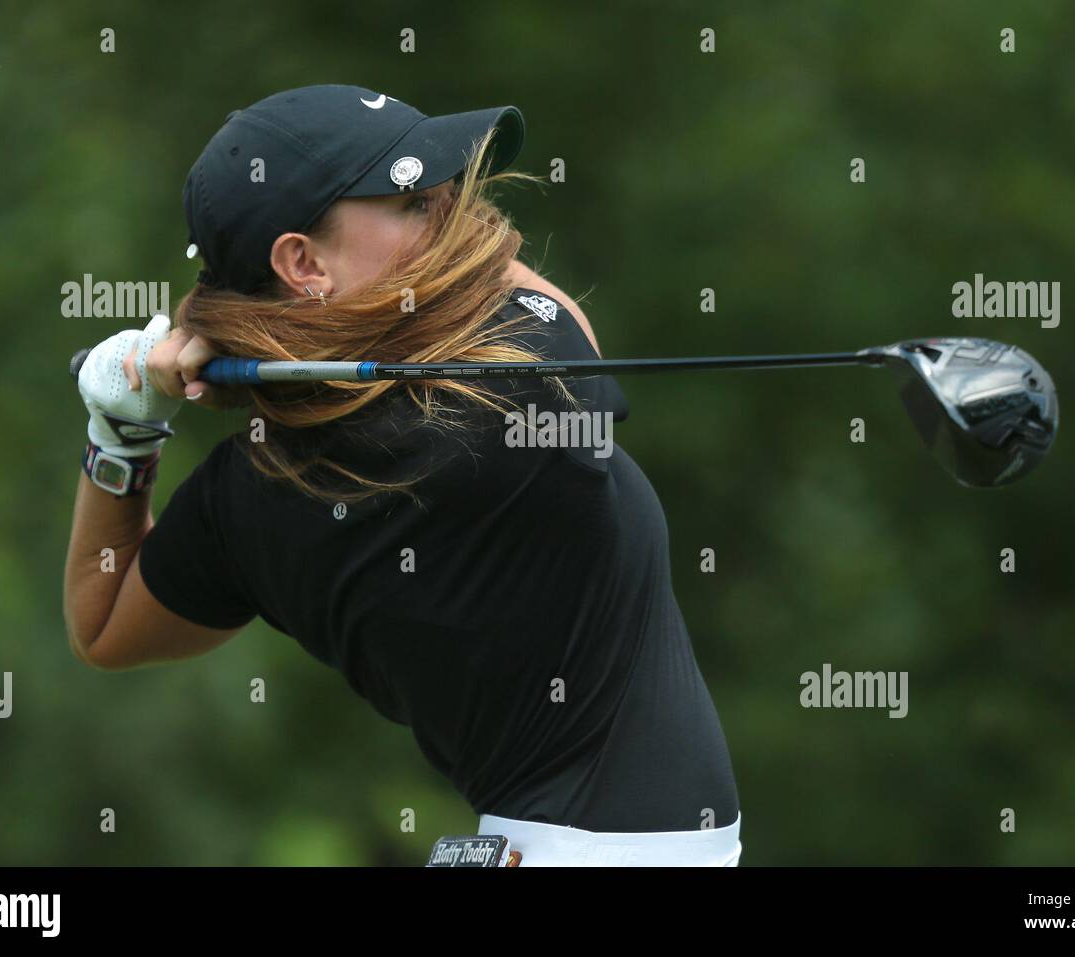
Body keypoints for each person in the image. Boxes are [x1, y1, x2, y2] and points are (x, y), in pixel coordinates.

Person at [63, 84, 741, 866]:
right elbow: (512, 283)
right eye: (414, 199)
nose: (453, 209)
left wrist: (122, 429)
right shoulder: (502, 400)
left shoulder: (251, 480)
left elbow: (103, 619)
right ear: (303, 262)